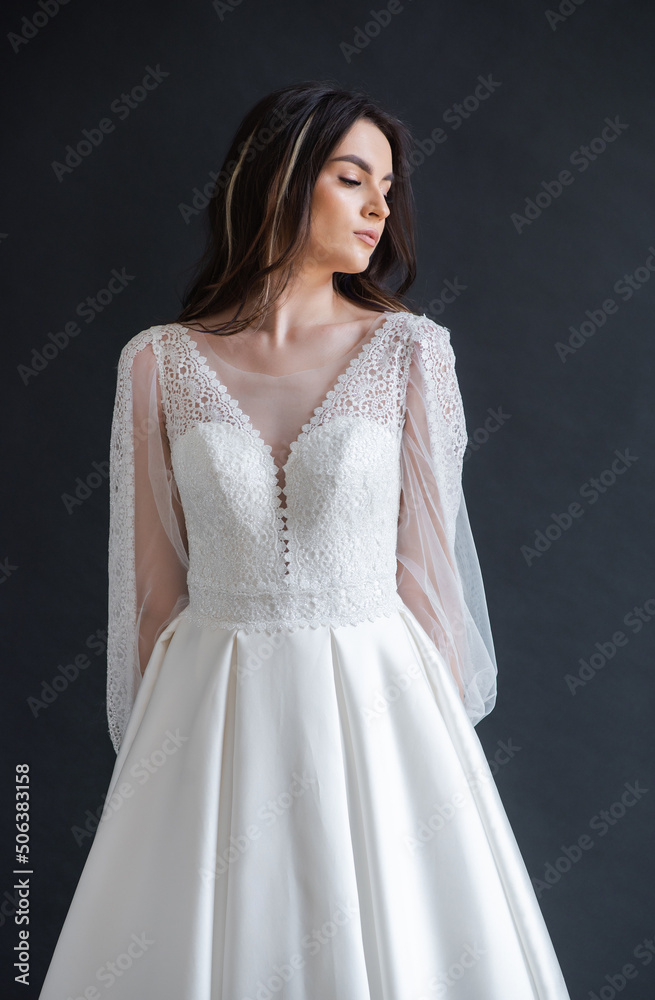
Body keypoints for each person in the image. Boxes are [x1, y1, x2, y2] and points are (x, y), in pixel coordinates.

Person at [38, 81, 571, 999]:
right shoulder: (156, 362)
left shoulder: (411, 352)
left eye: (388, 189)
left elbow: (430, 578)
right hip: (212, 712)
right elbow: (154, 599)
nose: (380, 209)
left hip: (378, 708)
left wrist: (433, 770)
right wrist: (158, 783)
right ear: (281, 177)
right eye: (353, 179)